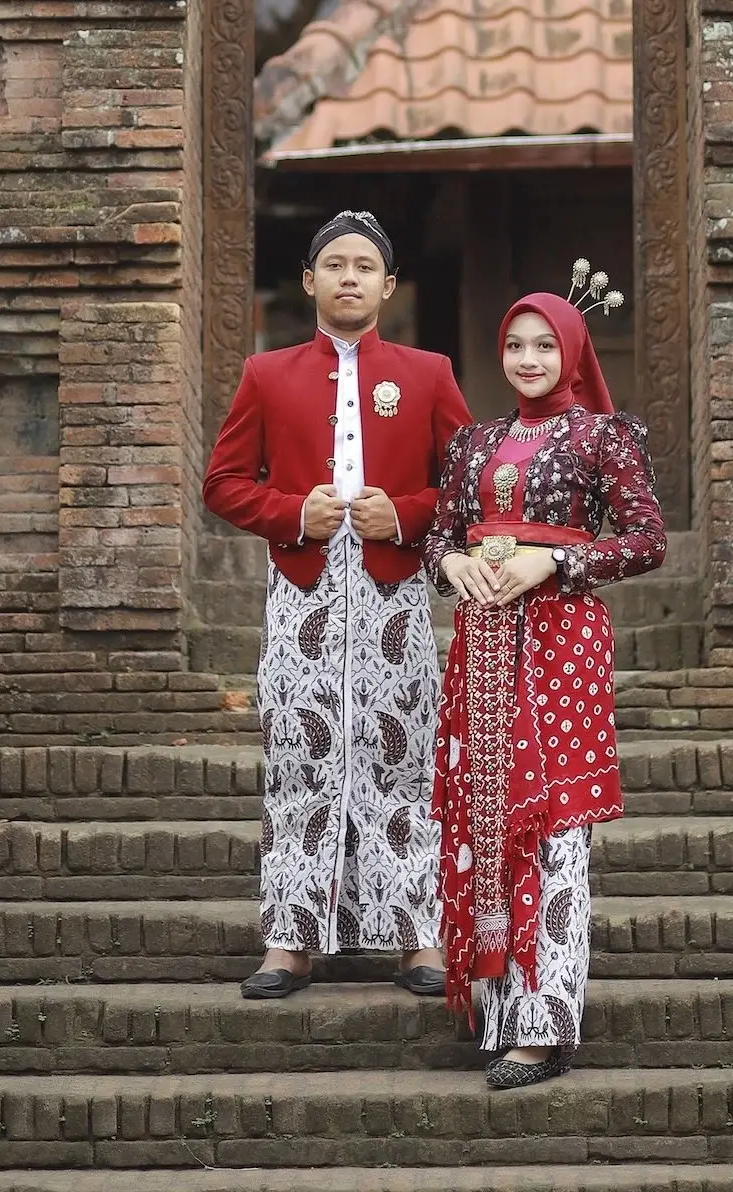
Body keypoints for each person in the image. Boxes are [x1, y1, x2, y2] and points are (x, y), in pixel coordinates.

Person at [204, 211, 473, 1000]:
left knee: (404, 759)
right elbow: (223, 484)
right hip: (302, 596)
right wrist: (291, 513)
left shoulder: (428, 372)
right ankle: (290, 940)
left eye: (364, 266)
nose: (348, 276)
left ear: (388, 286)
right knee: (298, 757)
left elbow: (469, 484)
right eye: (334, 264)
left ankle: (418, 937)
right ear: (309, 281)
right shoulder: (267, 375)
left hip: (394, 597)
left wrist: (408, 514)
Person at [423, 262, 667, 1088]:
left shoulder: (604, 437)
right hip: (484, 640)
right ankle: (502, 1018)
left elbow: (645, 540)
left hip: (562, 639)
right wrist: (452, 563)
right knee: (489, 820)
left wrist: (553, 562)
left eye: (545, 346)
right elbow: (439, 533)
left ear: (572, 352)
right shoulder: (473, 443)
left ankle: (546, 1025)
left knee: (554, 823)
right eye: (515, 346)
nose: (528, 360)